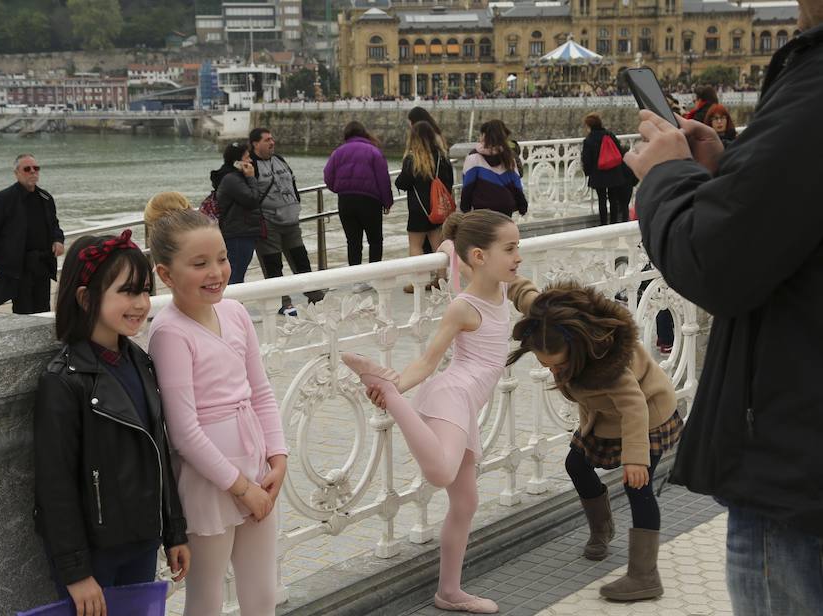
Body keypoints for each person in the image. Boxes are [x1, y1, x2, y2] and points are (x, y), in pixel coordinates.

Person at [624, 6, 823, 612]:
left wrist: (664, 178)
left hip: (798, 473)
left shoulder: (815, 86)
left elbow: (714, 260)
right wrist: (733, 168)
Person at [342, 210, 529, 614]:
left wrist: (448, 244)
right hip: (452, 396)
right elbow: (428, 362)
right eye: (511, 249)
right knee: (442, 473)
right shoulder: (463, 307)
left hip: (469, 403)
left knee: (465, 503)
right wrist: (399, 386)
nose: (519, 256)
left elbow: (452, 252)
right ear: (480, 256)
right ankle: (386, 391)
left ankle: (449, 592)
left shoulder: (494, 288)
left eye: (519, 247)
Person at [33, 230, 190, 616]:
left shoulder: (141, 362)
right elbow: (55, 487)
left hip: (142, 542)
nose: (140, 304)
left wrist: (174, 532)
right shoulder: (64, 380)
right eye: (127, 292)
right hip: (95, 556)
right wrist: (76, 572)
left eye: (144, 291)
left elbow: (159, 454)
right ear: (86, 297)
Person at [145, 207, 288, 616]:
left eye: (222, 258)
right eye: (200, 264)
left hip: (257, 466)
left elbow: (260, 392)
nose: (216, 272)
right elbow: (185, 431)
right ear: (166, 275)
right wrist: (242, 488)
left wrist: (277, 458)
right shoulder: (170, 331)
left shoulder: (235, 312)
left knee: (261, 591)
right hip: (211, 481)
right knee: (206, 596)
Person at [506, 280, 681, 601]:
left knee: (637, 486)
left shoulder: (610, 366)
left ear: (579, 348)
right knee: (576, 464)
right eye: (546, 365)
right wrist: (505, 280)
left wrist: (635, 459)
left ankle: (645, 576)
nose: (554, 372)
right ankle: (603, 528)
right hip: (603, 418)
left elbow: (634, 408)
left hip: (647, 417)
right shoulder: (551, 322)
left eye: (559, 364)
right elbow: (526, 295)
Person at [249, 127, 324, 316]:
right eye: (266, 140)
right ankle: (282, 302)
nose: (271, 142)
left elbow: (292, 183)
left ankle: (314, 295)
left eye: (272, 139)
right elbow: (248, 193)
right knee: (273, 264)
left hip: (291, 221)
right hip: (268, 224)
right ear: (255, 144)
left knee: (301, 260)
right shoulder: (251, 165)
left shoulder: (279, 160)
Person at [0, 153, 65, 314]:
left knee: (43, 312)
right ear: (17, 173)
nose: (33, 172)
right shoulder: (5, 198)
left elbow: (54, 226)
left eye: (36, 168)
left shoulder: (45, 197)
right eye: (27, 169)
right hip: (18, 269)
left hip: (42, 265)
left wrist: (58, 240)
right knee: (23, 314)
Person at [323, 121, 394, 292]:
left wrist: (339, 188)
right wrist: (387, 201)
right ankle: (374, 277)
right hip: (369, 201)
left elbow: (327, 176)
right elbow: (383, 179)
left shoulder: (338, 152)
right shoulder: (373, 151)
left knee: (353, 241)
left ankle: (356, 281)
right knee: (375, 240)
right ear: (364, 133)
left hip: (346, 201)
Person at [394, 121, 454, 292]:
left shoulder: (412, 159)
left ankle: (418, 282)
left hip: (418, 209)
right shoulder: (442, 157)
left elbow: (403, 182)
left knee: (416, 245)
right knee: (438, 244)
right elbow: (449, 181)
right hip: (438, 209)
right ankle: (441, 279)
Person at [459, 119, 527, 217]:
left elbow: (468, 186)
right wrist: (522, 206)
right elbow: (516, 185)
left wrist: (465, 208)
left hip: (482, 209)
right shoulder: (508, 157)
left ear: (484, 136)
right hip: (505, 207)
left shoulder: (473, 157)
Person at [216, 142, 262, 285]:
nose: (250, 161)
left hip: (243, 231)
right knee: (235, 274)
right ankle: (232, 305)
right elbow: (252, 199)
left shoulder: (235, 177)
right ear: (237, 161)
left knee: (237, 273)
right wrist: (251, 177)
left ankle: (234, 305)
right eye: (247, 157)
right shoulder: (232, 179)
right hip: (237, 233)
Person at [580, 113, 634, 225]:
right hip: (614, 171)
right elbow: (619, 150)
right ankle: (614, 222)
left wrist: (588, 172)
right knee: (613, 198)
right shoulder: (609, 135)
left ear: (589, 126)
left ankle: (603, 223)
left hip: (599, 174)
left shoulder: (589, 140)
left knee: (602, 199)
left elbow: (587, 160)